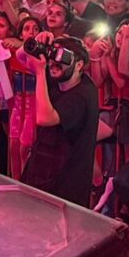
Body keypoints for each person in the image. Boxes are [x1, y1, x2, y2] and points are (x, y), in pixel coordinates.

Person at [18, 35, 99, 206]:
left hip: (65, 185)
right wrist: (36, 42)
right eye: (54, 55)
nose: (55, 62)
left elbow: (45, 118)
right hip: (42, 171)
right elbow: (20, 56)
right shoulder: (59, 76)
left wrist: (40, 73)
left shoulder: (83, 94)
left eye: (63, 57)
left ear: (79, 65)